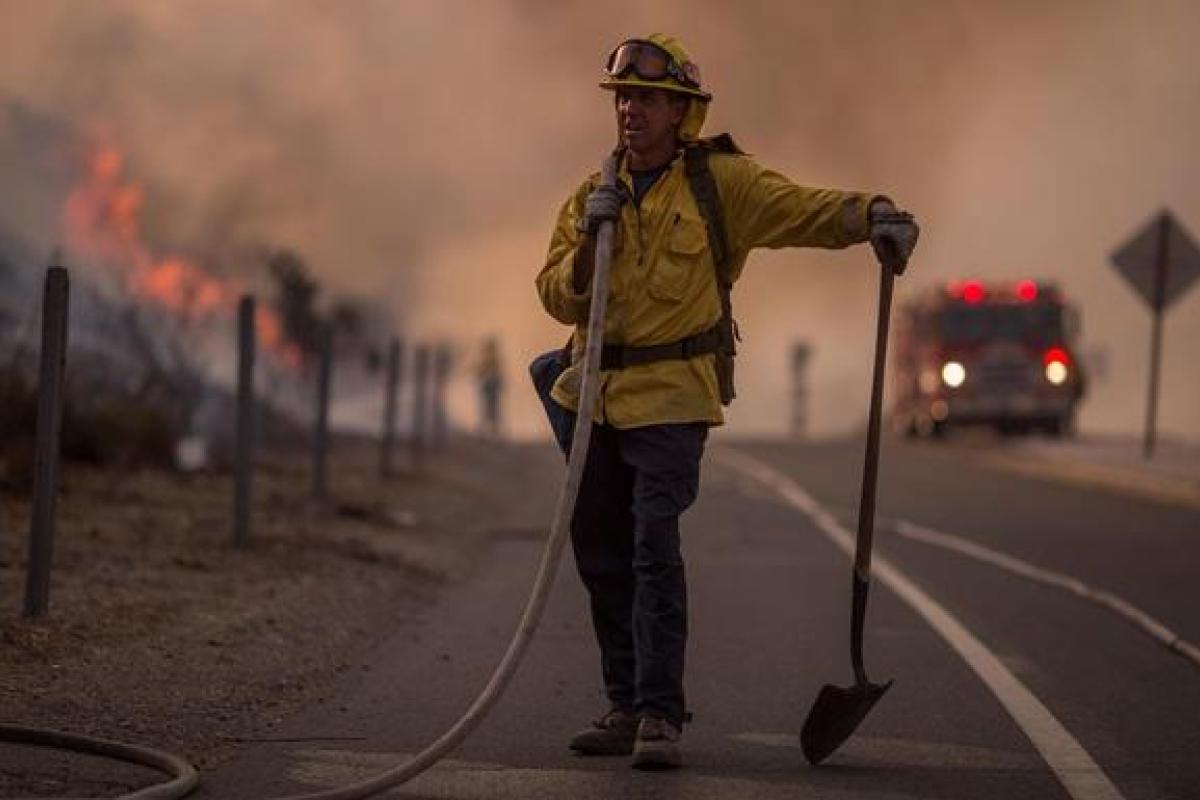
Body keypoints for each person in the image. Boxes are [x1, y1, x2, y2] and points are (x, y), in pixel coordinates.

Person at [534, 34, 919, 770]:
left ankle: (659, 715)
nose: (629, 112)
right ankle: (623, 705)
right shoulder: (592, 196)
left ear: (683, 111)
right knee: (602, 555)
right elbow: (554, 294)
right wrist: (590, 238)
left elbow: (799, 208)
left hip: (673, 397)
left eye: (645, 99)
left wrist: (874, 214)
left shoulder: (720, 186)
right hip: (593, 399)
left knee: (653, 546)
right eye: (622, 99)